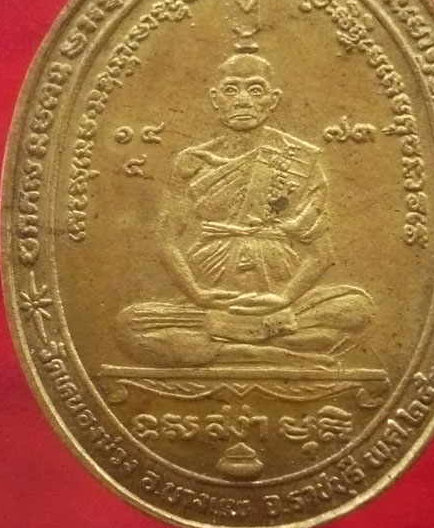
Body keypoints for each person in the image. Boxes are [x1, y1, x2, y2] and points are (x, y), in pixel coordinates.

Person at [116, 52, 374, 367]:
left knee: (356, 307)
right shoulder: (191, 163)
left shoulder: (301, 160)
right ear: (216, 100)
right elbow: (166, 240)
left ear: (272, 100)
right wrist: (198, 294)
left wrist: (283, 297)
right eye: (230, 89)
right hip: (210, 300)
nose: (242, 100)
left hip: (279, 297)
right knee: (129, 325)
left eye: (254, 89)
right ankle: (267, 351)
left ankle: (230, 343)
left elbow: (322, 255)